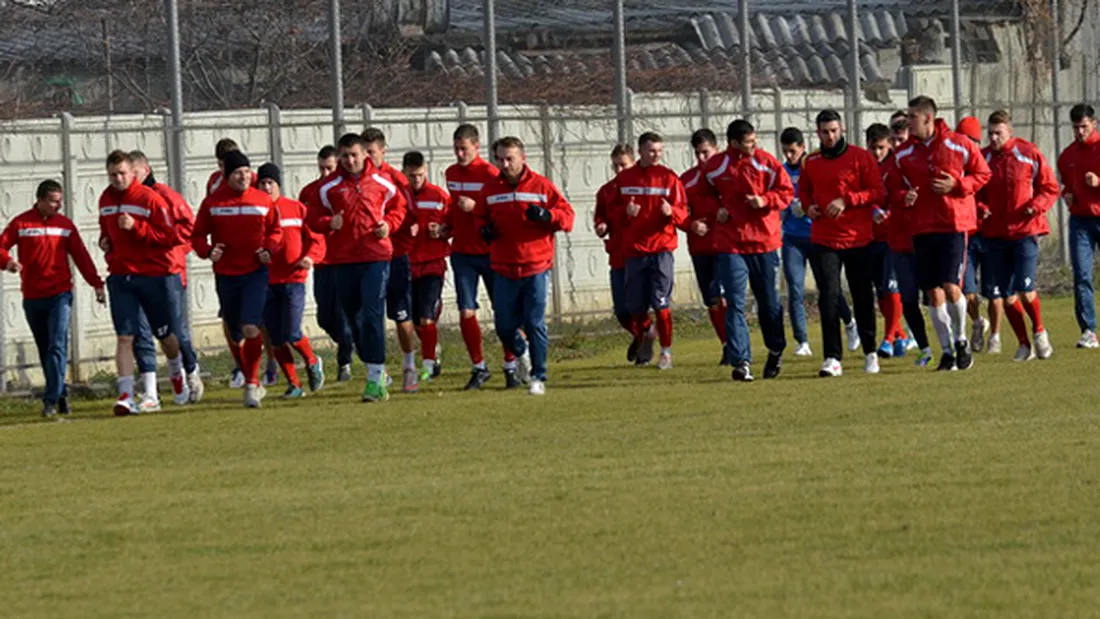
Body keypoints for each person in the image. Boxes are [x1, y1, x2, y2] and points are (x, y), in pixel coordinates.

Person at [893, 96, 991, 371]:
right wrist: (905, 196)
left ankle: (961, 341)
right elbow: (894, 187)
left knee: (951, 286)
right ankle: (946, 351)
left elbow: (983, 173)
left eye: (911, 117)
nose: (906, 122)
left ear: (927, 118)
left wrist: (957, 185)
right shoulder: (902, 155)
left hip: (953, 225)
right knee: (933, 294)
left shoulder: (958, 144)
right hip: (922, 228)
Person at [310, 133, 407, 402]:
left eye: (355, 155)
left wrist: (389, 225)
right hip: (343, 259)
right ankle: (375, 364)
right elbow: (313, 216)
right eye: (345, 156)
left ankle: (375, 379)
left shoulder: (382, 181)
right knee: (353, 318)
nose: (350, 160)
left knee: (373, 314)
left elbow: (399, 207)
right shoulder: (328, 186)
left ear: (365, 154)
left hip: (376, 255)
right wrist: (329, 222)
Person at [476, 136, 575, 395]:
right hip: (503, 267)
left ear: (523, 158)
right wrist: (485, 231)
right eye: (500, 159)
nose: (505, 164)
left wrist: (547, 216)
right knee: (504, 326)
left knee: (534, 322)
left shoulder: (541, 186)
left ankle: (538, 376)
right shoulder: (490, 189)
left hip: (535, 266)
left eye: (510, 158)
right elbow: (479, 218)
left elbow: (567, 217)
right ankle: (521, 354)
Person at [1, 180, 106, 417]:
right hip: (33, 296)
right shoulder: (21, 223)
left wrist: (97, 284)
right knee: (45, 348)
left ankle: (49, 400)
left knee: (57, 344)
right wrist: (7, 262)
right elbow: (2, 246)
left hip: (60, 294)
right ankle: (61, 393)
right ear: (40, 200)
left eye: (60, 201)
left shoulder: (65, 225)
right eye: (53, 201)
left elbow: (81, 256)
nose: (58, 205)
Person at [98, 150, 190, 415]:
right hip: (121, 276)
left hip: (152, 275)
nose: (117, 179)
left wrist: (136, 228)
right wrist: (105, 242)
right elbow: (106, 230)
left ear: (132, 173)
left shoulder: (149, 198)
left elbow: (171, 236)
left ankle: (176, 369)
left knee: (164, 334)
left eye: (122, 174)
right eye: (112, 174)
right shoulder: (105, 198)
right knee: (126, 336)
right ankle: (129, 394)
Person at [192, 150, 283, 408]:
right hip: (226, 275)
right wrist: (209, 251)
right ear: (226, 175)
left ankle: (252, 384)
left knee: (251, 327)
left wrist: (269, 250)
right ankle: (251, 377)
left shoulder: (262, 200)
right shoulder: (213, 203)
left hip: (255, 273)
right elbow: (197, 235)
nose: (243, 177)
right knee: (235, 333)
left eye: (246, 172)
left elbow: (276, 232)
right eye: (237, 173)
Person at [705, 119, 792, 382]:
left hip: (764, 241)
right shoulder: (716, 167)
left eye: (755, 141)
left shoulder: (766, 163)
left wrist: (764, 200)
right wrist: (714, 210)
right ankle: (741, 361)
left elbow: (786, 192)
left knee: (769, 303)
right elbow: (700, 194)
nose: (754, 146)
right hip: (731, 243)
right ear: (733, 143)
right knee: (735, 302)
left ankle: (775, 349)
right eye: (748, 143)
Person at [800, 110, 884, 377]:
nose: (830, 136)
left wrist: (847, 200)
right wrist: (809, 207)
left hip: (858, 238)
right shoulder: (811, 161)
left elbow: (878, 191)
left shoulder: (861, 157)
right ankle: (832, 357)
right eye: (825, 132)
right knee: (829, 297)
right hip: (824, 238)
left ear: (843, 129)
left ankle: (870, 351)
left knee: (861, 295)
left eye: (834, 131)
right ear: (818, 133)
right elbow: (804, 192)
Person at [978, 110, 1059, 361]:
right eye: (990, 133)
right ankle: (1024, 344)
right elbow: (975, 192)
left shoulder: (1028, 153)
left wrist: (1037, 205)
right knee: (1008, 296)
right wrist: (982, 209)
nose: (993, 138)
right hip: (996, 236)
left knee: (1026, 290)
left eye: (998, 133)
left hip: (1025, 232)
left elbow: (1049, 187)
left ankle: (1039, 332)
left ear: (1009, 132)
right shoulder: (984, 158)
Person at [129, 151, 204, 410]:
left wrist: (170, 251)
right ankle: (151, 390)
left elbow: (188, 231)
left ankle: (191, 371)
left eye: (133, 174)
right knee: (141, 332)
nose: (129, 179)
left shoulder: (164, 196)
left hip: (168, 273)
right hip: (137, 275)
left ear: (145, 170)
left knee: (175, 330)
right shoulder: (123, 200)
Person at [447, 124, 519, 389]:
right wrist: (447, 227)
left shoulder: (490, 174)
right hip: (462, 253)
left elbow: (499, 211)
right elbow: (453, 210)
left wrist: (476, 207)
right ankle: (479, 366)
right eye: (456, 148)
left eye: (464, 148)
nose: (459, 153)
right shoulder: (451, 173)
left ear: (476, 147)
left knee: (504, 311)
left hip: (490, 253)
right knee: (466, 311)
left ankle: (511, 364)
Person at [779, 127, 859, 358]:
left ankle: (849, 321)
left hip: (816, 236)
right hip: (792, 238)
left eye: (793, 151)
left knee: (828, 287)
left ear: (803, 148)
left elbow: (824, 194)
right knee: (794, 288)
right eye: (785, 152)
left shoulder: (814, 166)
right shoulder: (782, 171)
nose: (789, 157)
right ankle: (802, 341)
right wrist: (784, 210)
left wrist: (807, 206)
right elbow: (781, 198)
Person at [616, 131, 688, 370]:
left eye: (659, 150)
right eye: (651, 151)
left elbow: (684, 212)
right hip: (635, 251)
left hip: (661, 249)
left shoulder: (669, 178)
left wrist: (672, 213)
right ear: (640, 151)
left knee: (661, 303)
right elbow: (612, 212)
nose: (656, 155)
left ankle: (666, 352)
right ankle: (647, 333)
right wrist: (625, 213)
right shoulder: (625, 179)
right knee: (635, 307)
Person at [257, 162, 326, 397]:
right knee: (276, 338)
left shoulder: (296, 209)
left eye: (270, 183)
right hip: (266, 281)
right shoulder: (256, 213)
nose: (266, 187)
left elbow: (316, 238)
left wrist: (309, 257)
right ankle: (294, 385)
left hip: (293, 279)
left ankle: (312, 360)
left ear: (278, 185)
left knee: (292, 332)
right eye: (262, 183)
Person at [363, 127, 421, 393]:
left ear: (382, 152)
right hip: (366, 259)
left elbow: (409, 216)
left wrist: (395, 232)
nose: (366, 158)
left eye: (371, 153)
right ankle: (377, 369)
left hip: (395, 255)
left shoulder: (395, 180)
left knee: (400, 314)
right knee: (367, 315)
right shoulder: (355, 180)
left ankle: (409, 366)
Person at [205, 137, 264, 387]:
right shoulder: (214, 183)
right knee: (230, 321)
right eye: (222, 164)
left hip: (254, 266)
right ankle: (240, 366)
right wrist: (208, 249)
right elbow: (206, 220)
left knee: (254, 322)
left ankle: (259, 370)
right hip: (226, 266)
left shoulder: (253, 182)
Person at [881, 117, 935, 367]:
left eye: (901, 139)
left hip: (927, 237)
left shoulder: (921, 160)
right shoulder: (889, 166)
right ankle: (923, 347)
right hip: (899, 241)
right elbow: (885, 194)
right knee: (906, 297)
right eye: (894, 140)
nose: (897, 144)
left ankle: (951, 343)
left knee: (936, 295)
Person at [300, 145, 355, 381]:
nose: (325, 174)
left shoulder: (342, 190)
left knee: (342, 314)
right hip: (322, 261)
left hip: (343, 259)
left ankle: (345, 364)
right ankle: (350, 340)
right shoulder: (310, 192)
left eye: (329, 168)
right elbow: (306, 223)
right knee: (324, 317)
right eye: (321, 168)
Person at [594, 144, 651, 362]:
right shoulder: (606, 191)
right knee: (621, 311)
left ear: (633, 163)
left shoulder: (641, 188)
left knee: (637, 305)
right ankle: (643, 336)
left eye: (623, 165)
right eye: (615, 166)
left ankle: (644, 346)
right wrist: (601, 227)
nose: (619, 170)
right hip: (617, 256)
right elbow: (600, 217)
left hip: (638, 254)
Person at [680, 128, 729, 364]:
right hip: (700, 247)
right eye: (698, 154)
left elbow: (741, 202)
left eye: (706, 153)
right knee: (711, 300)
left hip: (725, 245)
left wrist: (726, 211)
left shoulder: (727, 176)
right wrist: (690, 224)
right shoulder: (687, 180)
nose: (702, 159)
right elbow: (678, 213)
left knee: (722, 295)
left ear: (716, 150)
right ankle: (726, 344)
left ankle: (734, 345)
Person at [403, 150, 450, 383]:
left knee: (426, 316)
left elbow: (452, 225)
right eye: (412, 176)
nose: (417, 180)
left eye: (420, 175)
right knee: (412, 321)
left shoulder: (439, 196)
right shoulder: (399, 196)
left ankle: (428, 364)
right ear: (405, 173)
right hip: (407, 265)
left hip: (433, 264)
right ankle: (434, 350)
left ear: (426, 172)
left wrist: (442, 231)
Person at [864, 124, 908, 359]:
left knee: (893, 288)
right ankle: (900, 334)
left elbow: (903, 195)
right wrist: (871, 210)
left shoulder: (897, 166)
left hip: (894, 236)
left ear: (889, 145)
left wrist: (889, 213)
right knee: (881, 292)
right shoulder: (862, 166)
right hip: (870, 237)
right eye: (874, 148)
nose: (877, 153)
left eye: (881, 148)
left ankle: (889, 339)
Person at [1058, 103, 1100, 349]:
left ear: (1093, 123)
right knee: (1082, 275)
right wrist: (1068, 195)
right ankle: (1088, 330)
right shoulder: (1068, 156)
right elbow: (1066, 185)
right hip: (1081, 221)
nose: (1080, 132)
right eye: (1076, 128)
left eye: (1084, 127)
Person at [956, 116, 992, 353]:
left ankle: (996, 335)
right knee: (967, 289)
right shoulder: (953, 166)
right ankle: (977, 323)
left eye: (970, 141)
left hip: (990, 234)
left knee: (995, 292)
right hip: (965, 234)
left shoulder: (987, 165)